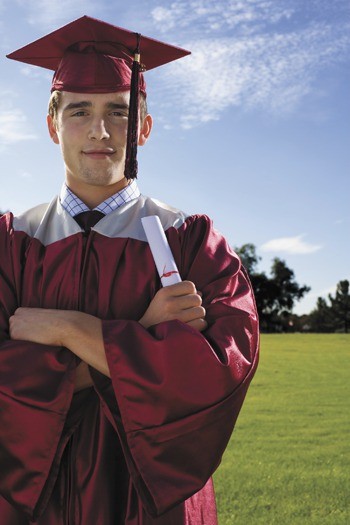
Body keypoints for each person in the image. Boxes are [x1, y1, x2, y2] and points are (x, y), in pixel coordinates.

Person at [0, 15, 259, 525]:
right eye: (79, 111)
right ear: (53, 125)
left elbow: (222, 370)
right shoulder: (11, 243)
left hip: (152, 506)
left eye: (118, 112)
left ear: (143, 127)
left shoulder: (192, 241)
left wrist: (70, 330)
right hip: (37, 506)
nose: (99, 131)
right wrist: (143, 338)